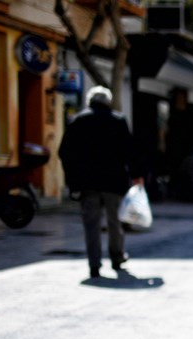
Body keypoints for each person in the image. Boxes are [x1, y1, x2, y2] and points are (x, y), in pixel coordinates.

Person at [59, 85, 143, 279]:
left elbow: (64, 152)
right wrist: (136, 174)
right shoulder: (118, 120)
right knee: (115, 222)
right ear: (108, 102)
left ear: (89, 101)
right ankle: (117, 257)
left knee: (91, 224)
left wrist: (73, 179)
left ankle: (94, 264)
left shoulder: (78, 121)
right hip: (114, 181)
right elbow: (130, 151)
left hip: (87, 182)